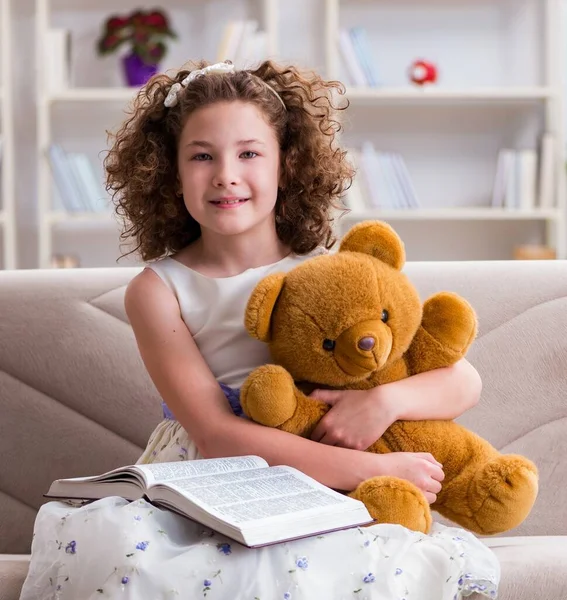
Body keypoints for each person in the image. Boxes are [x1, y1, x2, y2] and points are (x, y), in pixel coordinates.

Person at [19, 60, 499, 600]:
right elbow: (218, 435)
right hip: (221, 477)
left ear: (286, 166)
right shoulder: (158, 289)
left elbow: (464, 382)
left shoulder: (330, 270)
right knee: (143, 561)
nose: (226, 174)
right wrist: (368, 466)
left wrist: (380, 404)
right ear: (170, 173)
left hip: (325, 452)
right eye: (202, 156)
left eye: (249, 153)